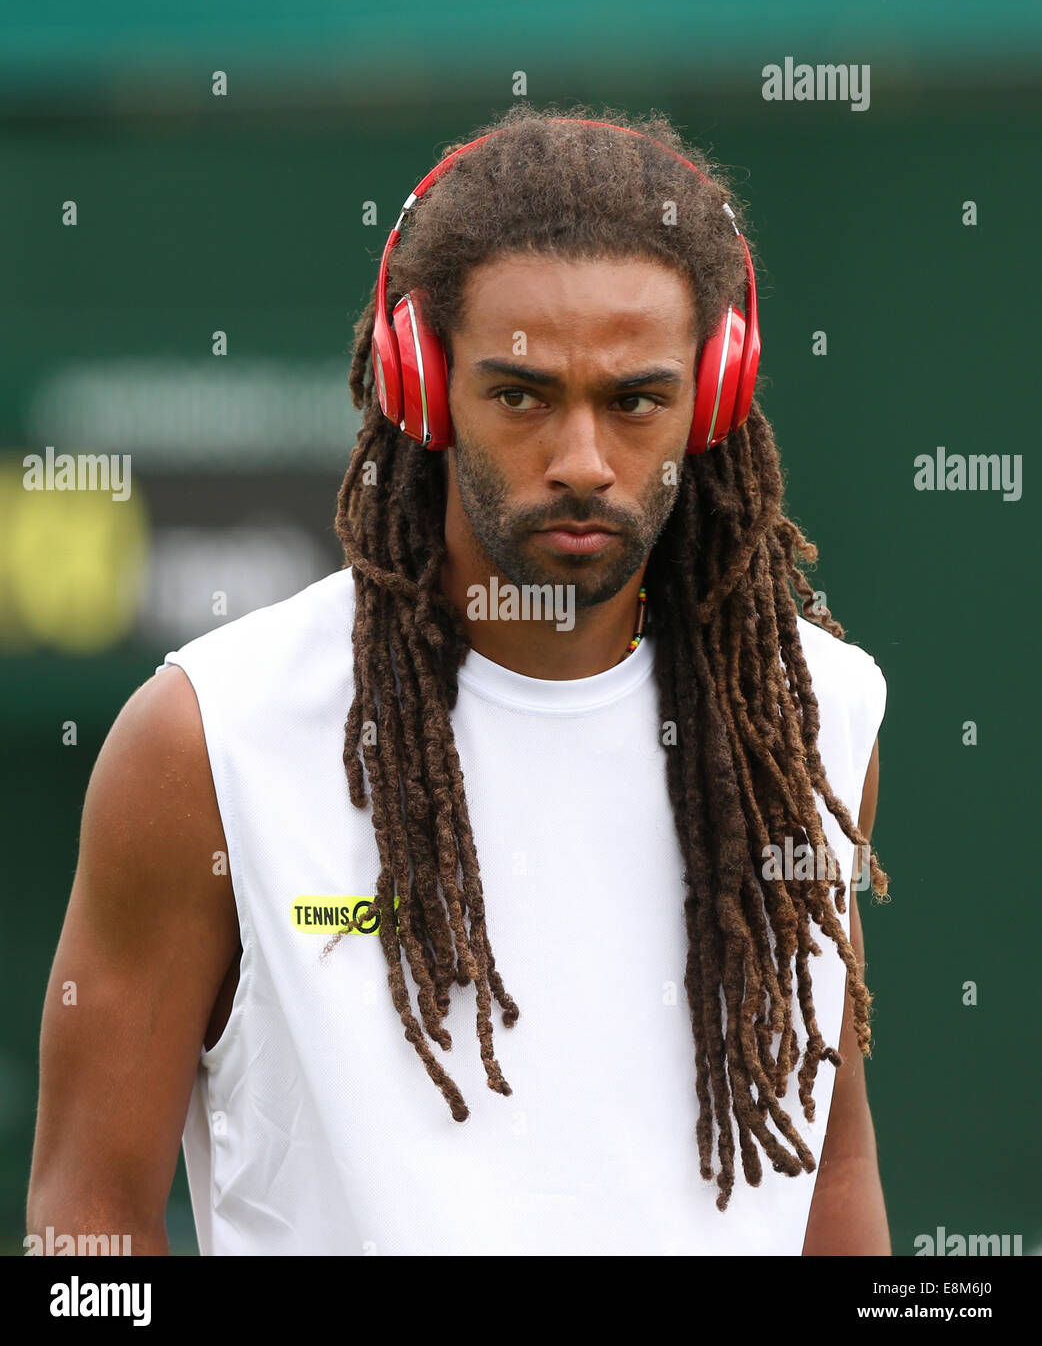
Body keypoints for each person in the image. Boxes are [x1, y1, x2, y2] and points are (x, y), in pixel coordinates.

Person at [28, 106, 890, 1256]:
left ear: (715, 398)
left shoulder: (813, 718)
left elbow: (828, 1173)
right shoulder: (205, 737)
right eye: (522, 395)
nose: (583, 460)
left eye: (636, 399)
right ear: (421, 388)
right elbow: (83, 1229)